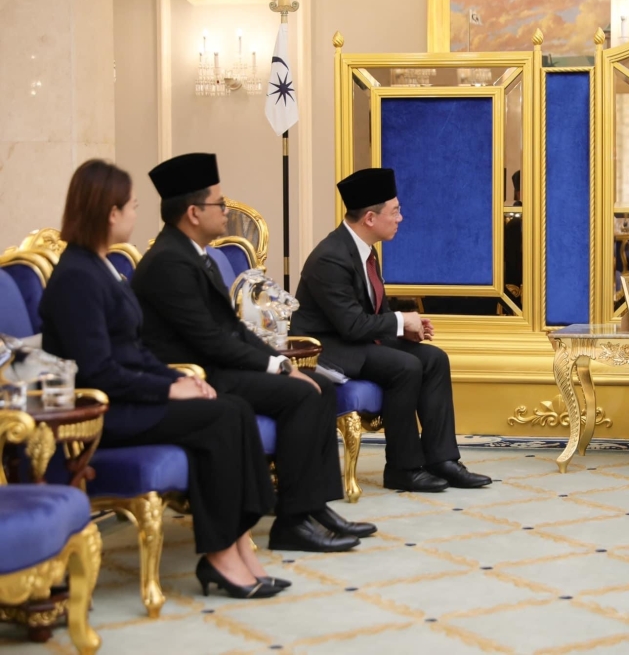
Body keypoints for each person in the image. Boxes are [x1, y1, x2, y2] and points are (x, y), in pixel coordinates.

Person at [40, 160, 283, 599]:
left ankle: (237, 543)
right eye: (131, 206)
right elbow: (98, 371)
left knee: (232, 408)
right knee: (222, 418)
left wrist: (179, 378)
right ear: (109, 213)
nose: (137, 214)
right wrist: (169, 387)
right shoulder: (76, 276)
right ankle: (220, 556)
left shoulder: (100, 266)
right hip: (104, 412)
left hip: (130, 396)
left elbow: (134, 350)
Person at [131, 153, 375, 553]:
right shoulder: (168, 262)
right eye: (220, 204)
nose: (227, 212)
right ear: (193, 212)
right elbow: (209, 339)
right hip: (198, 373)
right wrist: (277, 367)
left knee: (319, 386)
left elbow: (230, 328)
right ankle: (292, 522)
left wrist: (280, 363)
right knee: (299, 393)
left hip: (219, 363)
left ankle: (314, 506)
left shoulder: (196, 255)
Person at [290, 168, 492, 493]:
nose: (401, 217)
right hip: (329, 349)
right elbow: (352, 325)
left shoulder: (366, 250)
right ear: (370, 218)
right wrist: (402, 320)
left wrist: (403, 332)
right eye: (394, 211)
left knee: (433, 359)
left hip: (357, 342)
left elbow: (373, 315)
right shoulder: (330, 257)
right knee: (405, 366)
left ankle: (442, 459)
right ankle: (403, 467)